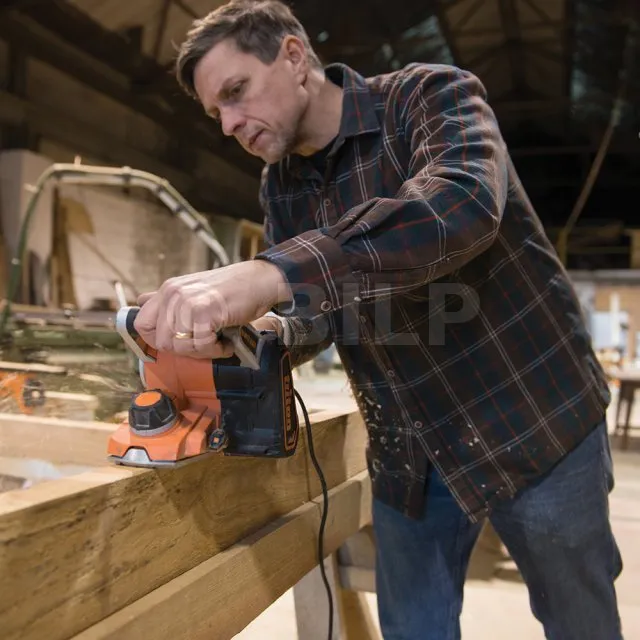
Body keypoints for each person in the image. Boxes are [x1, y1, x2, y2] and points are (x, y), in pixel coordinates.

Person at [134, 1, 624, 638]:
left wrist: (269, 274)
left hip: (531, 421)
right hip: (411, 451)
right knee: (413, 629)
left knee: (580, 623)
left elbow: (460, 206)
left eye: (236, 92)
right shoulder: (281, 186)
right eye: (216, 113)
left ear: (293, 56)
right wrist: (260, 335)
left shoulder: (428, 97)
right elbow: (317, 309)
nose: (229, 124)